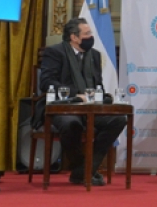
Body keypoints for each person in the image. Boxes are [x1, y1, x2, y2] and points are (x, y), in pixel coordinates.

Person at [36, 17, 125, 186]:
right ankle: (84, 170)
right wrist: (78, 95)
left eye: (90, 33)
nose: (90, 37)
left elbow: (97, 84)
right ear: (74, 37)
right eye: (87, 34)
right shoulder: (55, 52)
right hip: (63, 109)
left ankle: (84, 171)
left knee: (118, 120)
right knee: (71, 125)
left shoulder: (95, 56)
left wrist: (102, 96)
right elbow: (47, 82)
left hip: (90, 108)